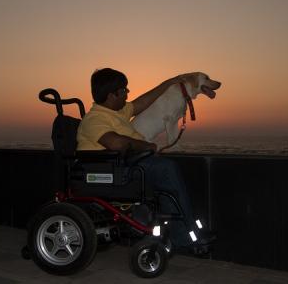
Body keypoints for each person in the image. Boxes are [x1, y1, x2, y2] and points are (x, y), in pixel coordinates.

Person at [76, 68, 215, 251]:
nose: (128, 93)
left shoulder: (117, 111)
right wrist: (147, 146)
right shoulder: (94, 119)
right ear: (111, 95)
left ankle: (178, 231)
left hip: (123, 165)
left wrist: (169, 82)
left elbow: (144, 101)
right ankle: (183, 236)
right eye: (124, 90)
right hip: (109, 171)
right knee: (166, 169)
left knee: (166, 176)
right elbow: (116, 143)